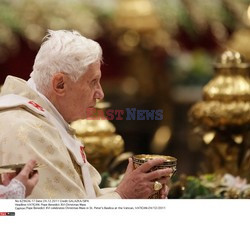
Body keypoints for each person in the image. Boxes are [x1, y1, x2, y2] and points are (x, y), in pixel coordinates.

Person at [0, 30, 172, 199]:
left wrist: (137, 191)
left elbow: (81, 198)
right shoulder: (27, 132)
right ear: (60, 84)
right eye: (93, 82)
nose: (100, 94)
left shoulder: (42, 120)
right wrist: (123, 195)